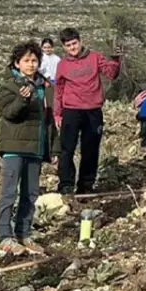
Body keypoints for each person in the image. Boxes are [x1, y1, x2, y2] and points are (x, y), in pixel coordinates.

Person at [0, 42, 56, 257]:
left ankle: (24, 233)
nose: (31, 64)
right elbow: (9, 113)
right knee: (9, 192)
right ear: (17, 63)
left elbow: (48, 121)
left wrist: (53, 148)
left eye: (34, 60)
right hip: (14, 146)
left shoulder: (45, 87)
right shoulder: (9, 85)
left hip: (36, 147)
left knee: (30, 194)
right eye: (26, 60)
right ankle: (4, 235)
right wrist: (23, 99)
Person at [53, 27, 122, 194]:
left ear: (80, 41)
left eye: (74, 43)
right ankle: (66, 185)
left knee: (90, 149)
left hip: (93, 111)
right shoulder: (62, 65)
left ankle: (86, 185)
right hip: (71, 111)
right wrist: (57, 113)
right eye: (68, 45)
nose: (72, 48)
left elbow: (111, 74)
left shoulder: (95, 57)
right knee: (66, 150)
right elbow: (59, 90)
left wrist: (115, 59)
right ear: (64, 47)